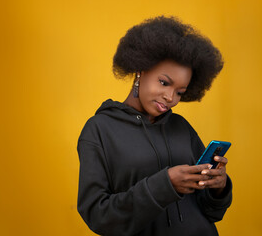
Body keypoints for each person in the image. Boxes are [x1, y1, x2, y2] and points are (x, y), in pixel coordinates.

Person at [77, 16, 232, 236]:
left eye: (180, 92)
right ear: (140, 69)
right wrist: (165, 185)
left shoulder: (181, 127)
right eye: (164, 82)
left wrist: (218, 188)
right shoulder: (99, 130)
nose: (170, 97)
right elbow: (98, 216)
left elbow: (212, 212)